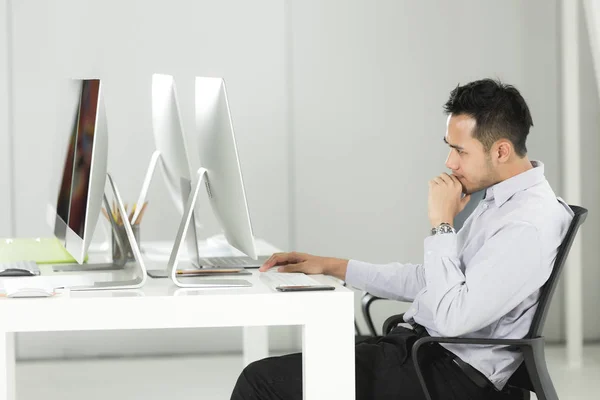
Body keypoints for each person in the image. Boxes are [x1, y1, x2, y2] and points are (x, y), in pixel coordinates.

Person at [230, 79, 573, 400]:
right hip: (423, 353)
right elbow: (433, 281)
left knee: (260, 383)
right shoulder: (502, 201)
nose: (449, 162)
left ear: (500, 151)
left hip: (448, 375)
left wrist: (441, 223)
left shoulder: (527, 223)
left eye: (460, 151)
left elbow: (454, 318)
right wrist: (332, 266)